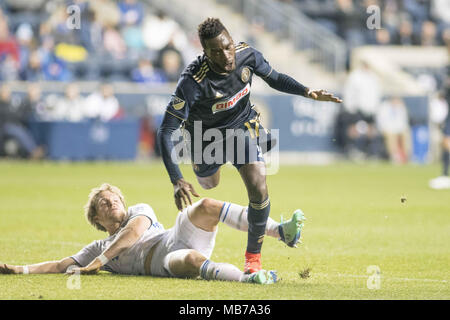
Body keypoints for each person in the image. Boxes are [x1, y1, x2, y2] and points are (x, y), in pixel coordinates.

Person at [157, 18, 341, 274]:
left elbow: (274, 77)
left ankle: (253, 259)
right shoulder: (192, 81)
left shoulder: (246, 55)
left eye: (228, 46)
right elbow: (165, 130)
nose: (226, 55)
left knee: (258, 184)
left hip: (240, 126)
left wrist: (306, 91)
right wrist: (176, 179)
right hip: (204, 138)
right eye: (217, 51)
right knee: (210, 183)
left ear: (232, 41)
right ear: (205, 53)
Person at [0, 183, 306, 285]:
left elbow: (133, 234)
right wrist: (20, 269)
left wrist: (101, 261)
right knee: (190, 259)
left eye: (115, 197)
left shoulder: (138, 212)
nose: (113, 201)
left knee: (207, 205)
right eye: (104, 202)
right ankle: (248, 279)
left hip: (174, 235)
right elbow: (59, 265)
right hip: (164, 262)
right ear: (96, 217)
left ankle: (282, 232)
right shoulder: (97, 247)